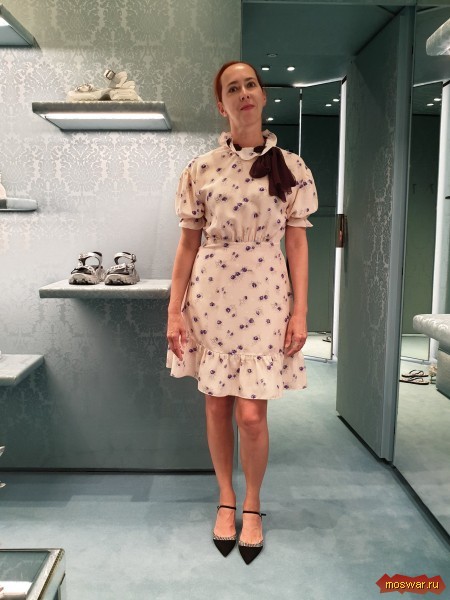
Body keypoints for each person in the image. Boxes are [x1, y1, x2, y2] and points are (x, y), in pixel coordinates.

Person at [166, 61, 318, 564]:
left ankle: (252, 503)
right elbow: (187, 246)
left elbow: (297, 244)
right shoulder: (201, 169)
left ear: (263, 95)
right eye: (233, 88)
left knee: (252, 414)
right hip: (210, 294)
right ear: (221, 105)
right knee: (216, 405)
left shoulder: (292, 167)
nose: (244, 93)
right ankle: (226, 499)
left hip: (266, 295)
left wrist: (301, 311)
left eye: (250, 84)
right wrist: (174, 311)